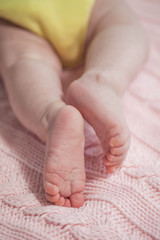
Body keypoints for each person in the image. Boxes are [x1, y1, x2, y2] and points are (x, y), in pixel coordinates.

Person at [0, 0, 148, 208]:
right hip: (84, 6)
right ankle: (102, 80)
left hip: (18, 11)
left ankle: (52, 114)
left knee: (25, 61)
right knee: (123, 29)